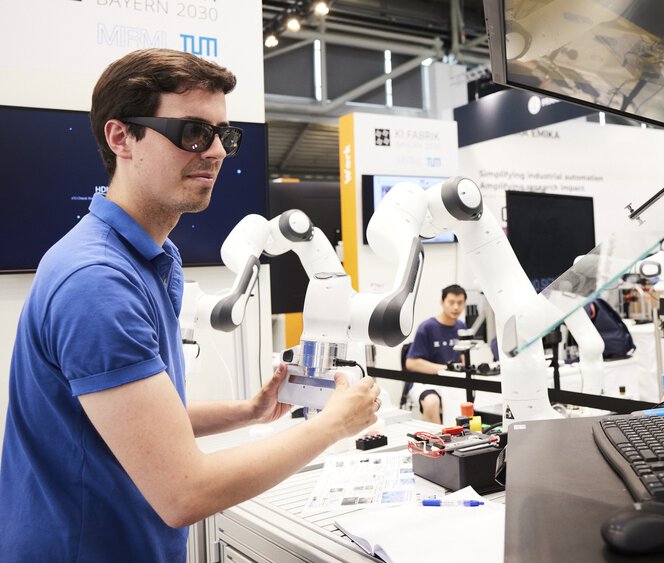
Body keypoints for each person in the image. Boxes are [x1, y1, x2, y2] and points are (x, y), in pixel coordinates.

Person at [0, 49, 380, 562]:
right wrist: (334, 422)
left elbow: (135, 423)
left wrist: (248, 412)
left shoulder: (149, 258)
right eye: (194, 133)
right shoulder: (97, 283)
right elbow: (185, 491)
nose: (218, 152)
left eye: (225, 135)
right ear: (121, 138)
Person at [404, 284, 468, 423]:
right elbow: (411, 363)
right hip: (426, 383)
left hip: (453, 382)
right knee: (431, 403)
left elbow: (463, 355)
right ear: (442, 302)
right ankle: (438, 442)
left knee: (474, 400)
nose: (456, 307)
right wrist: (446, 369)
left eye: (460, 303)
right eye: (451, 302)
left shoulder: (461, 327)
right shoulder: (427, 327)